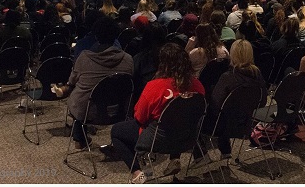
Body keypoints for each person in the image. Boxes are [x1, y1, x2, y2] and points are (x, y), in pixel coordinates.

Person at [107, 43, 205, 183]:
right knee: (178, 119)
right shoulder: (197, 86)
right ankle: (175, 158)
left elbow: (139, 117)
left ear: (163, 64)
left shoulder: (154, 86)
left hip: (157, 140)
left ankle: (137, 173)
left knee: (116, 131)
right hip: (187, 138)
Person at [52, 17, 134, 150]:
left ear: (96, 36)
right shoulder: (128, 59)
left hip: (88, 112)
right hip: (120, 110)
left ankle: (79, 139)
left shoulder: (84, 57)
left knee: (78, 91)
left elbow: (72, 81)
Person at [190, 39, 267, 168]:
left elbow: (215, 106)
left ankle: (201, 156)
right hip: (245, 123)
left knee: (190, 115)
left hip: (222, 126)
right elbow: (263, 101)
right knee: (226, 112)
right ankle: (225, 152)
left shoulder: (228, 77)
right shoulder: (257, 74)